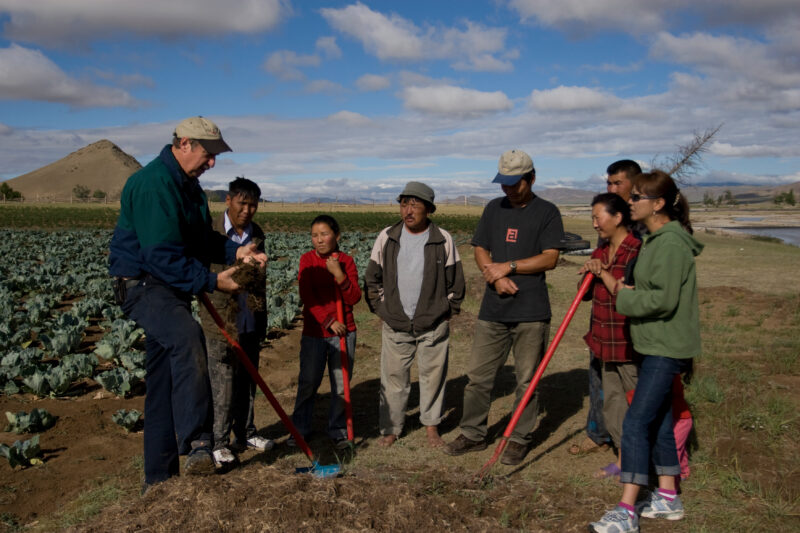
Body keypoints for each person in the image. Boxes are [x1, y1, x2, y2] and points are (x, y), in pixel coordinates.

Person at [109, 116, 266, 488]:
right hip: (144, 286)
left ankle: (158, 480)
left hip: (170, 288)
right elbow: (160, 255)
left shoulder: (191, 190)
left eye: (215, 156)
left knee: (162, 384)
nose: (212, 163)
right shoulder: (152, 185)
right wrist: (211, 280)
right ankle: (199, 442)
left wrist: (236, 252)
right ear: (183, 144)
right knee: (189, 341)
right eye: (208, 153)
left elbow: (202, 242)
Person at [589, 170, 702, 532]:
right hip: (654, 342)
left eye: (637, 197)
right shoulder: (655, 240)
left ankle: (626, 510)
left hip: (665, 345)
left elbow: (663, 300)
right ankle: (668, 496)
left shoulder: (669, 244)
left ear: (659, 204)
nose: (630, 201)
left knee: (636, 423)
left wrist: (624, 294)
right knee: (660, 420)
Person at [443, 149, 564, 466]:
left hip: (531, 312)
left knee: (527, 381)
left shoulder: (547, 212)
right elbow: (480, 248)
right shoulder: (493, 209)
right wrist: (494, 277)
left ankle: (519, 438)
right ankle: (473, 433)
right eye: (504, 183)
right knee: (479, 378)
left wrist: (507, 267)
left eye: (515, 183)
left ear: (532, 178)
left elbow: (550, 257)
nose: (508, 189)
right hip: (493, 311)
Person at [364, 182, 465, 448]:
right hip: (396, 322)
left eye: (415, 205)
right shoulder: (387, 236)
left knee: (433, 376)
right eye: (404, 204)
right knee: (394, 378)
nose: (408, 211)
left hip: (432, 323)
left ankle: (431, 426)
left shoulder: (443, 239)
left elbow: (456, 282)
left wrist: (446, 312)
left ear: (429, 209)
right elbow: (372, 279)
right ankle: (391, 428)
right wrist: (383, 310)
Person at [198, 177, 274, 466]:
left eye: (253, 204)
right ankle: (219, 441)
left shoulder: (258, 233)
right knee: (223, 381)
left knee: (248, 378)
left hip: (250, 316)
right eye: (242, 203)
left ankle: (246, 432)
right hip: (220, 317)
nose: (247, 209)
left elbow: (260, 278)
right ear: (228, 200)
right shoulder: (211, 232)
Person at [572, 159, 643, 457]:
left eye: (618, 183)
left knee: (632, 393)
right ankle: (601, 433)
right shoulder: (604, 242)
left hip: (628, 332)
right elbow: (586, 291)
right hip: (602, 328)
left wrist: (604, 274)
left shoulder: (641, 236)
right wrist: (592, 272)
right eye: (609, 183)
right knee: (601, 383)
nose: (612, 188)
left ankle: (638, 453)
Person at [290, 215, 361, 449]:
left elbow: (354, 297)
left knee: (341, 384)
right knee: (309, 381)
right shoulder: (307, 260)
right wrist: (328, 320)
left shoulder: (346, 262)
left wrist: (339, 275)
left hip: (344, 331)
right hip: (315, 332)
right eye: (314, 235)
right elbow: (307, 296)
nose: (319, 240)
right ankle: (299, 428)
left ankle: (339, 430)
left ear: (337, 236)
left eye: (324, 234)